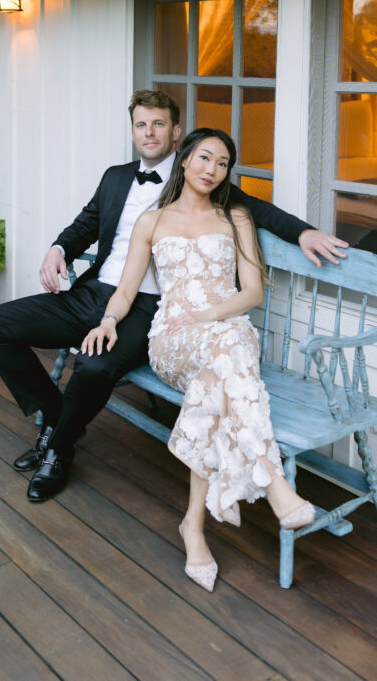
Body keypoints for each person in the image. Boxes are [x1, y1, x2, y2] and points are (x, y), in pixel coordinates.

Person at [0, 89, 347, 503]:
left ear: (176, 134)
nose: (149, 133)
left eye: (159, 124)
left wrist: (304, 232)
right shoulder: (116, 177)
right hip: (95, 292)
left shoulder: (199, 176)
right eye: (141, 125)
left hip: (147, 308)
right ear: (133, 131)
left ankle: (57, 448)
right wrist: (59, 249)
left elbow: (259, 211)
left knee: (93, 368)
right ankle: (56, 417)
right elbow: (85, 224)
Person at [81, 128, 316, 592]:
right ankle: (275, 486)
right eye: (205, 158)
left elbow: (250, 293)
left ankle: (194, 525)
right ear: (184, 160)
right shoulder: (152, 221)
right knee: (224, 364)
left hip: (227, 327)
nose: (213, 169)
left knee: (218, 372)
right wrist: (109, 320)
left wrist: (208, 314)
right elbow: (127, 289)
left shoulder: (237, 218)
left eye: (223, 163)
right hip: (173, 338)